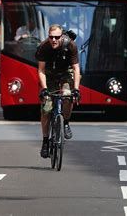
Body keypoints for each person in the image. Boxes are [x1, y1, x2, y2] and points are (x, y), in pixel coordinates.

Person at [35, 24, 81, 159]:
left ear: (62, 36)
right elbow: (41, 70)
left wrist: (76, 89)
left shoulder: (71, 45)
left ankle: (65, 122)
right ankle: (45, 141)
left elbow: (76, 69)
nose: (54, 40)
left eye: (57, 37)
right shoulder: (44, 47)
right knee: (46, 108)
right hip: (49, 75)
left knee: (68, 95)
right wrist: (44, 89)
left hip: (65, 74)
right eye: (51, 37)